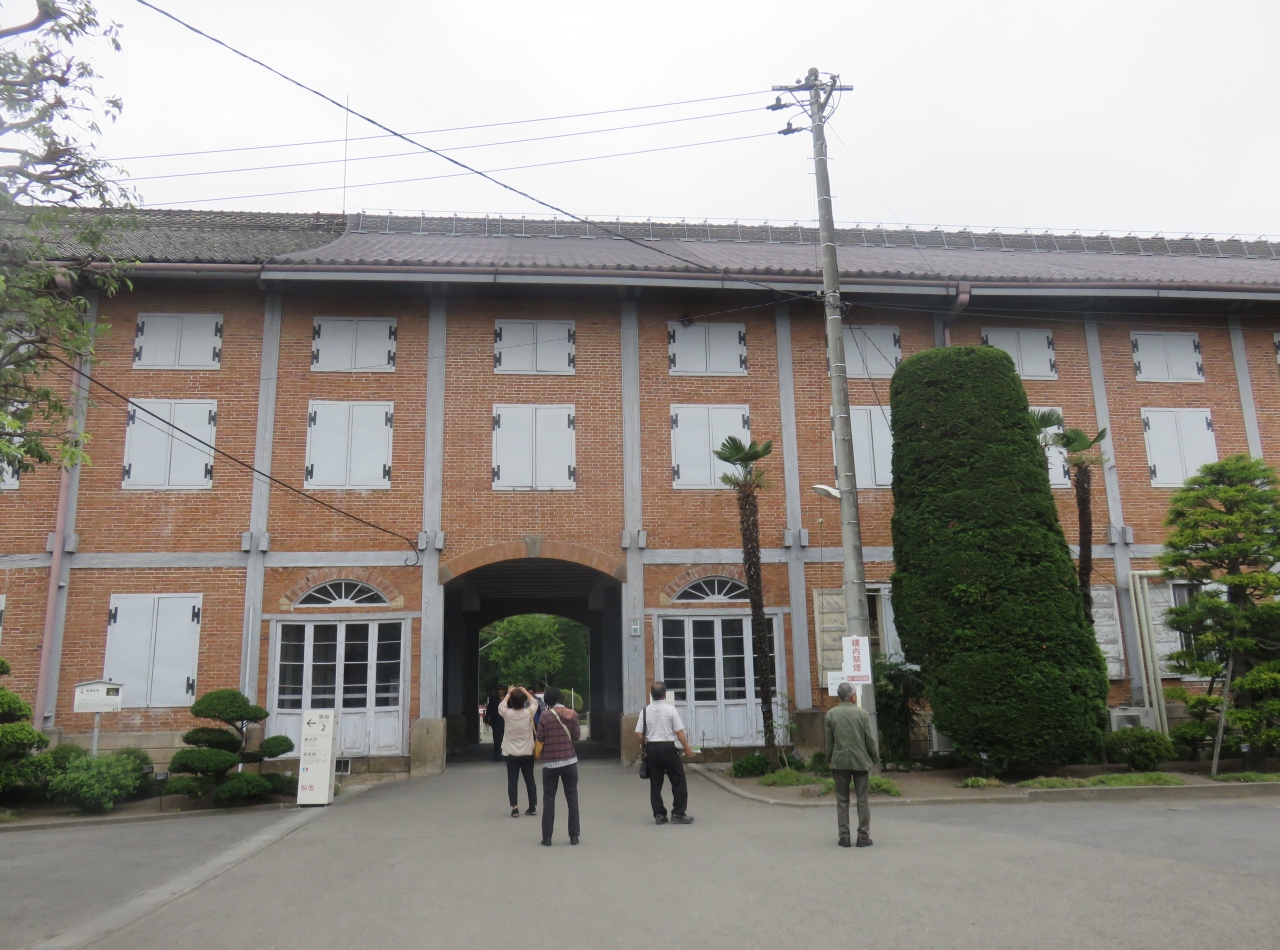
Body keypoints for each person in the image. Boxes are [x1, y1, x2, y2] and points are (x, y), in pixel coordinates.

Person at [825, 681, 880, 848]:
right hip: (860, 761)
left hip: (839, 761)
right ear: (853, 696)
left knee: (842, 800)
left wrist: (830, 759)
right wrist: (874, 757)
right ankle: (863, 836)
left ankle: (844, 837)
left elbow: (829, 742)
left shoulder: (831, 715)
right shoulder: (862, 714)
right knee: (862, 799)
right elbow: (870, 740)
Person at [636, 681, 695, 825]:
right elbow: (679, 732)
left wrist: (644, 745)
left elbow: (638, 733)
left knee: (655, 783)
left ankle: (659, 814)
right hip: (668, 748)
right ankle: (678, 813)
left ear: (651, 695)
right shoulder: (670, 710)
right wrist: (687, 748)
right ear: (664, 694)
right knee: (678, 780)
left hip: (652, 748)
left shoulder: (645, 711)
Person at [534, 686, 581, 846]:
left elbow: (540, 737)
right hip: (569, 761)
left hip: (550, 764)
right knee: (572, 798)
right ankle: (574, 836)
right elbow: (577, 736)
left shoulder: (545, 716)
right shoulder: (572, 714)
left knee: (549, 799)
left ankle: (547, 838)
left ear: (548, 700)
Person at [498, 686, 538, 817]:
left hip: (512, 754)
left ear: (511, 701)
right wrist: (526, 692)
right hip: (527, 753)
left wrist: (508, 693)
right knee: (530, 780)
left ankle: (514, 808)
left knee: (512, 781)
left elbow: (501, 706)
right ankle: (532, 807)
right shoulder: (528, 713)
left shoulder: (507, 714)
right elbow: (535, 702)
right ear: (523, 701)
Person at [484, 685, 508, 762]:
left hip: (506, 722)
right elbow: (489, 710)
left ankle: (507, 755)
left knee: (506, 739)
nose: (500, 691)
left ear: (505, 690)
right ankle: (497, 756)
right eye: (499, 690)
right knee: (496, 739)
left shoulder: (508, 699)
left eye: (502, 690)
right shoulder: (493, 699)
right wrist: (486, 720)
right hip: (496, 721)